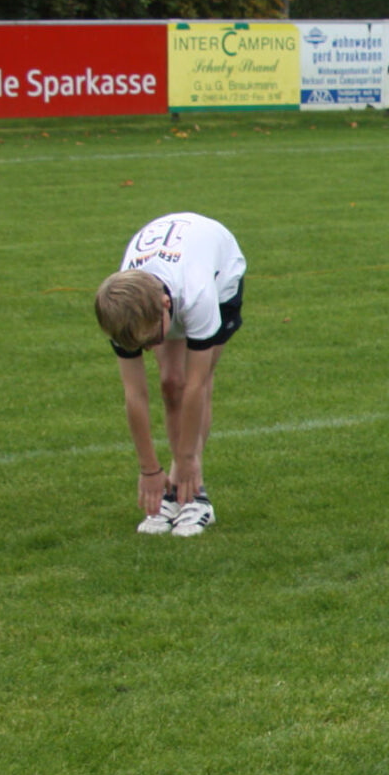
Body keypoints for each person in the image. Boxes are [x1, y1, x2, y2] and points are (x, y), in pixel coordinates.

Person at [94, 213, 246, 538]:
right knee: (169, 383)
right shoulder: (120, 310)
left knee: (188, 383)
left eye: (151, 340)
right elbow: (135, 394)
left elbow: (198, 385)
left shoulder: (197, 294)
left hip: (220, 276)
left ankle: (192, 495)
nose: (148, 349)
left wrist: (187, 457)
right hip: (168, 283)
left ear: (165, 306)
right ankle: (175, 487)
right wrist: (148, 469)